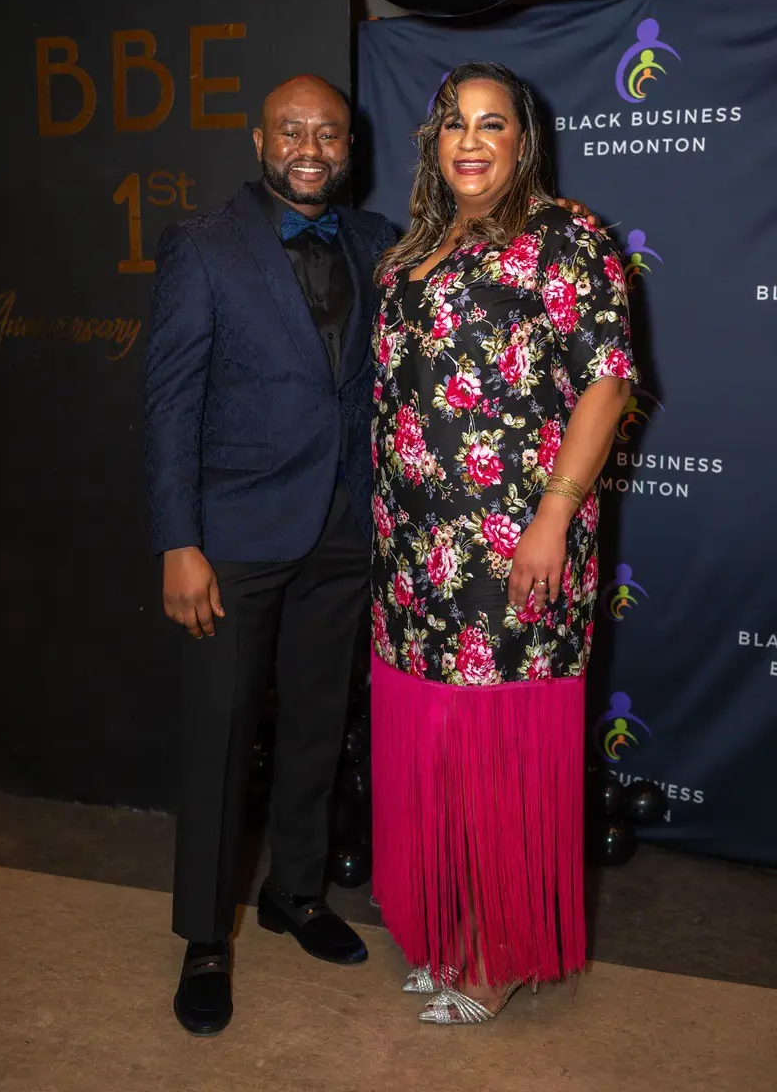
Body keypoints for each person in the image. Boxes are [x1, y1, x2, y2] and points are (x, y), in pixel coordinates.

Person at [370, 61, 636, 1025]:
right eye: (454, 122)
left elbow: (607, 381)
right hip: (412, 553)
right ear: (432, 142)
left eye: (492, 123)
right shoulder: (413, 249)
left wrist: (555, 516)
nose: (471, 140)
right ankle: (448, 930)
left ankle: (499, 953)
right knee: (438, 753)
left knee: (496, 756)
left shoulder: (566, 237)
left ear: (524, 139)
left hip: (512, 543)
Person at [143, 75, 399, 1036]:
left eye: (328, 133)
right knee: (220, 735)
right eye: (292, 131)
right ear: (259, 140)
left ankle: (296, 891)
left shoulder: (377, 242)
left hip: (343, 529)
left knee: (317, 724)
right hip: (234, 536)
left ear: (349, 147)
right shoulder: (203, 245)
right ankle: (205, 937)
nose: (310, 148)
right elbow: (171, 401)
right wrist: (179, 540)